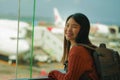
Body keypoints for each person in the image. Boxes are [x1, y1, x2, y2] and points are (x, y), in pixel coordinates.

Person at [48, 13, 99, 80]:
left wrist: (54, 73)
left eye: (74, 27)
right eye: (67, 25)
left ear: (82, 30)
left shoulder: (78, 51)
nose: (69, 29)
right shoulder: (87, 48)